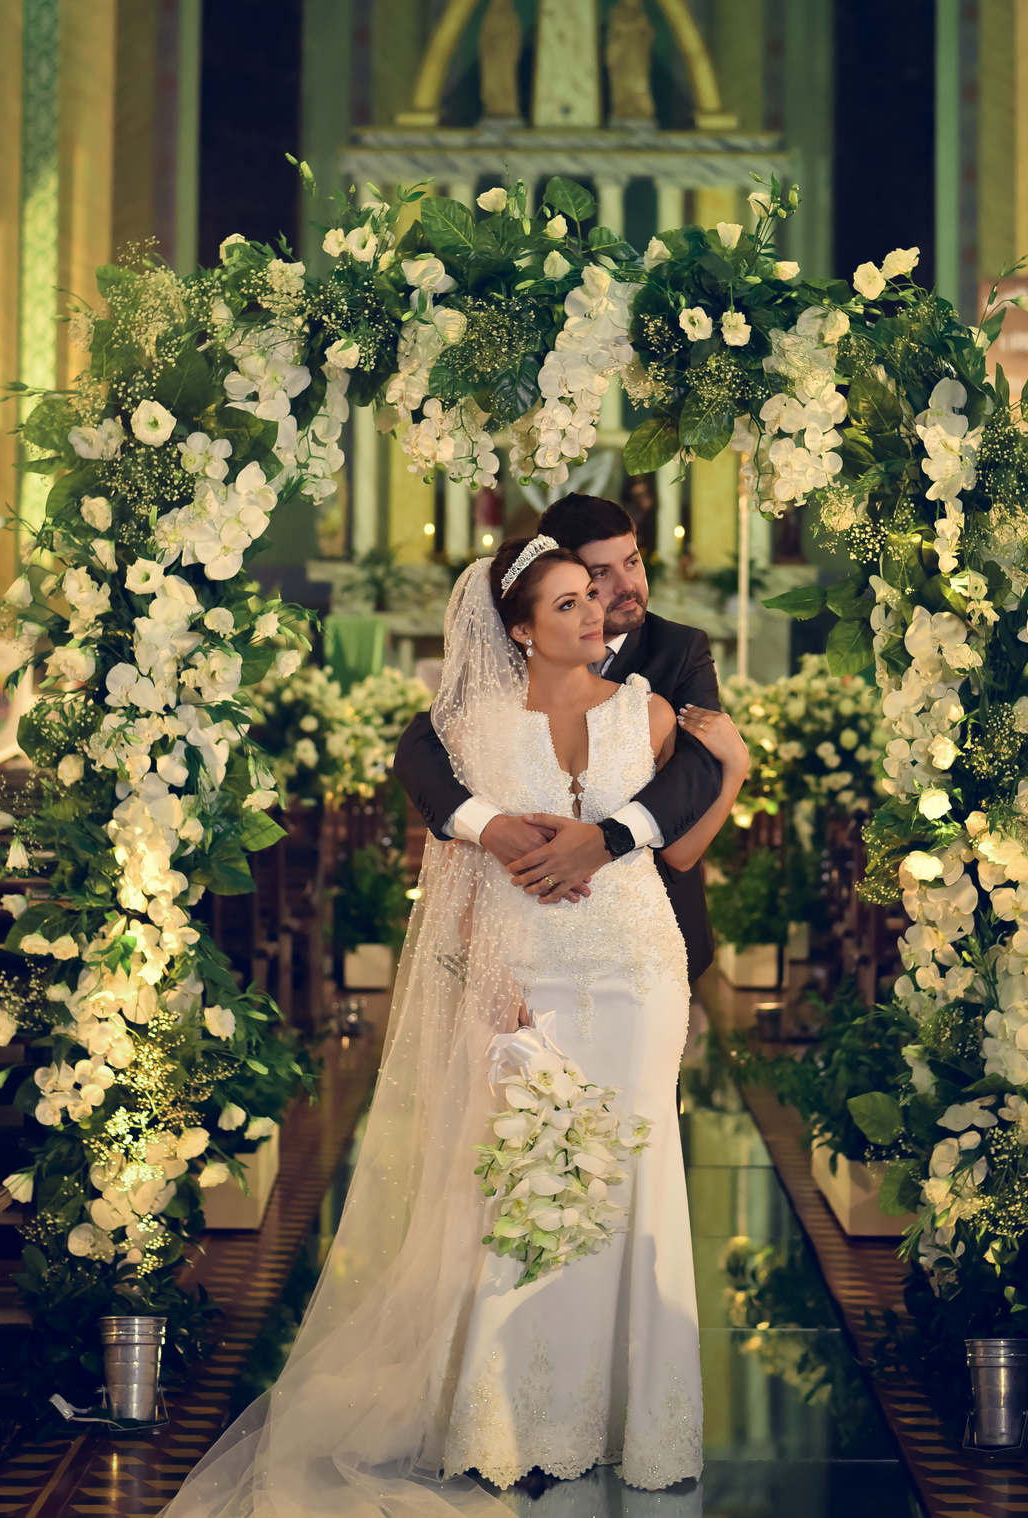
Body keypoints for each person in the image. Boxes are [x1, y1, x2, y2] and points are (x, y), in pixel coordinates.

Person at [162, 537, 748, 1518]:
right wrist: (491, 977)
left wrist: (728, 772)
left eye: (592, 596)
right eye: (567, 603)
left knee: (634, 1178)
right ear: (519, 630)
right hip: (531, 970)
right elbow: (463, 872)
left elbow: (678, 847)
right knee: (521, 1184)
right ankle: (512, 1417)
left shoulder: (647, 712)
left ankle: (635, 1417)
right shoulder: (473, 727)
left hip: (639, 971)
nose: (594, 613)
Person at [395, 493, 724, 984]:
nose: (625, 586)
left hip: (644, 939)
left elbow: (696, 771)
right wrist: (489, 828)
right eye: (600, 574)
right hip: (522, 946)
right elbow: (422, 746)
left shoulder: (677, 651)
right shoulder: (503, 665)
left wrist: (608, 840)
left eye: (632, 561)